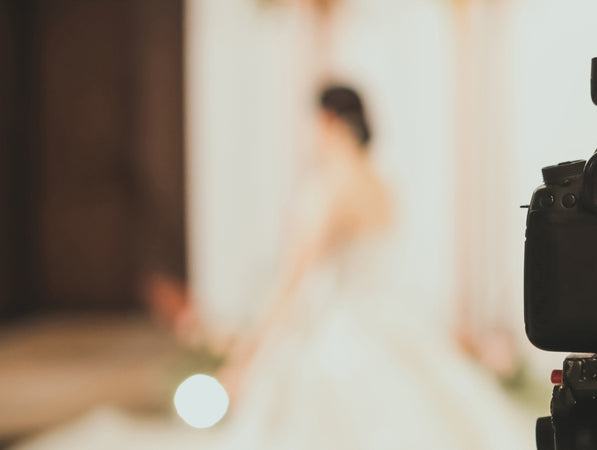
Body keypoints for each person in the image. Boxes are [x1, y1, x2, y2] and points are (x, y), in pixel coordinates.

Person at [16, 86, 533, 450]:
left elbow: (294, 281)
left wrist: (250, 355)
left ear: (328, 121)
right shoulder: (381, 183)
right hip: (387, 321)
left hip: (339, 331)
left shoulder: (330, 186)